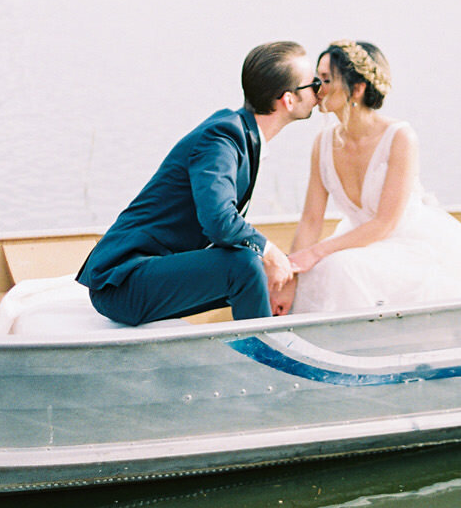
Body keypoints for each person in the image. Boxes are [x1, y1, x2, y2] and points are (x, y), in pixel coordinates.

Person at [271, 40, 461, 316]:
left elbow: (384, 224)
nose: (316, 87)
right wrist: (292, 275)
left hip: (408, 243)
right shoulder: (322, 143)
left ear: (357, 88)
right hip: (358, 241)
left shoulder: (400, 137)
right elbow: (311, 220)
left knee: (338, 267)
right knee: (316, 272)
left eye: (326, 79)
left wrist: (316, 254)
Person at [72, 40, 319, 325]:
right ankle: (267, 358)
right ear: (288, 99)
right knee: (245, 264)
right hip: (122, 282)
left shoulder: (239, 134)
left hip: (150, 271)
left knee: (250, 263)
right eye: (313, 85)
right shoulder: (222, 138)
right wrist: (270, 251)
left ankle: (256, 347)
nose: (318, 92)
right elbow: (218, 221)